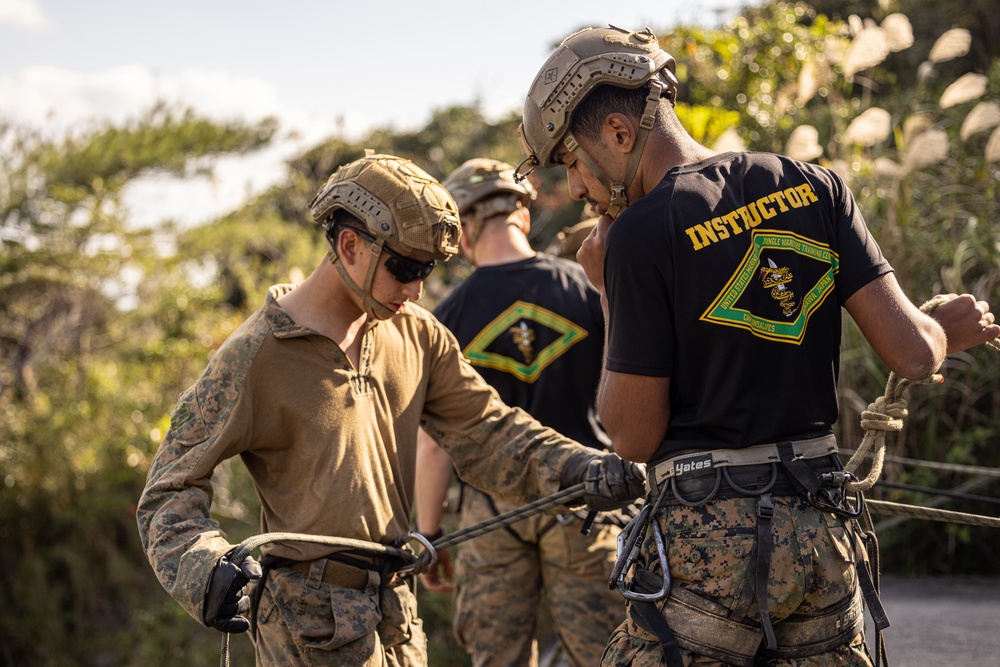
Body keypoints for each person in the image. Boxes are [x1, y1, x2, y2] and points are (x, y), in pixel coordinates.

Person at [516, 25, 1000, 667]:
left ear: (618, 133)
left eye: (573, 162)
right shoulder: (816, 187)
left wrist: (608, 288)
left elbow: (632, 434)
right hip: (823, 541)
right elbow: (913, 353)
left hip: (707, 558)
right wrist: (946, 329)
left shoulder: (636, 235)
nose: (575, 188)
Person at [135, 151, 646, 667]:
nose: (416, 288)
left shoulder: (416, 334)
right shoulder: (255, 355)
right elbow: (168, 491)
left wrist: (578, 469)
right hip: (307, 630)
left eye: (426, 268)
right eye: (404, 266)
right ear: (349, 244)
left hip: (396, 615)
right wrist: (205, 568)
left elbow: (489, 431)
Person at [413, 158, 623, 667]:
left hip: (491, 511)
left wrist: (431, 532)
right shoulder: (586, 289)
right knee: (609, 653)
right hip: (586, 495)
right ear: (523, 216)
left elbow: (435, 443)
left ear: (463, 231)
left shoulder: (448, 319)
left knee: (498, 658)